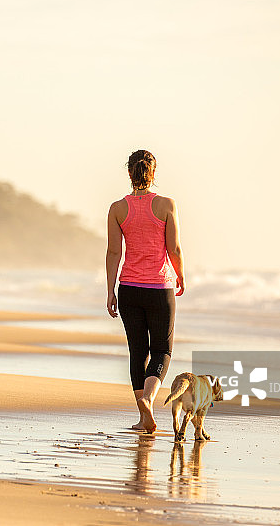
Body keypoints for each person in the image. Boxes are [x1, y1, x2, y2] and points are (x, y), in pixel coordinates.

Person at [106, 150, 185, 433]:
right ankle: (149, 401)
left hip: (128, 288)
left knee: (137, 351)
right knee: (162, 349)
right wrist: (180, 275)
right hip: (159, 289)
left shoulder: (117, 208)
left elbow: (114, 251)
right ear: (153, 173)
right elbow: (173, 248)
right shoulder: (166, 205)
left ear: (129, 173)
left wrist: (110, 290)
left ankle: (143, 416)